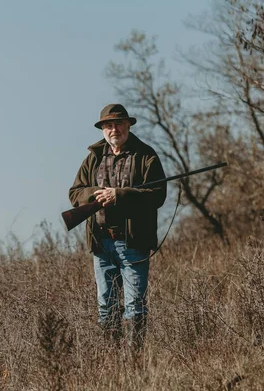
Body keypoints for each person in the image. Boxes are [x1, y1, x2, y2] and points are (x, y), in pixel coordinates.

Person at [68, 103, 167, 349]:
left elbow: (157, 194)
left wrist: (119, 195)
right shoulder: (93, 158)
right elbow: (75, 193)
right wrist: (95, 194)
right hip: (101, 243)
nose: (114, 129)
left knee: (135, 307)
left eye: (119, 124)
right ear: (102, 129)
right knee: (106, 306)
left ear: (128, 125)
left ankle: (134, 363)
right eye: (108, 125)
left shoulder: (146, 155)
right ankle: (111, 362)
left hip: (133, 241)